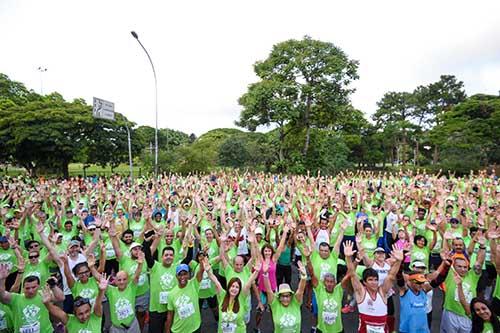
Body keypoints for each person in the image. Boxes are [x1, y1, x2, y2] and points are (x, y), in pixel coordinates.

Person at [345, 241, 403, 333]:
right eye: (370, 280)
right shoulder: (361, 292)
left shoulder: (382, 292)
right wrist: (348, 257)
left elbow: (391, 276)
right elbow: (352, 274)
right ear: (364, 282)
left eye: (376, 280)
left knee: (391, 313)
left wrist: (399, 261)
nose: (374, 283)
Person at [0, 263, 64, 333]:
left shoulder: (43, 294)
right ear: (23, 288)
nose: (31, 291)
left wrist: (53, 286)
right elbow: (2, 295)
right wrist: (2, 279)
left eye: (33, 287)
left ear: (38, 286)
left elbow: (61, 297)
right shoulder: (16, 299)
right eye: (27, 288)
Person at [205, 258, 260, 333]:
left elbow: (249, 282)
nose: (234, 289)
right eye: (232, 286)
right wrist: (208, 271)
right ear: (228, 287)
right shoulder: (222, 295)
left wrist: (256, 271)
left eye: (237, 287)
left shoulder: (241, 297)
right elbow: (215, 281)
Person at [42, 272, 108, 332]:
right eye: (80, 314)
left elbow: (98, 303)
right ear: (74, 314)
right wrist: (47, 303)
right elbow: (58, 312)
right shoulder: (70, 320)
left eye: (87, 311)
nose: (84, 316)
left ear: (90, 309)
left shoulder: (96, 317)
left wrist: (101, 291)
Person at [305, 244, 349, 333]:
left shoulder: (339, 290)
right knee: (315, 313)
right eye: (327, 281)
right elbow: (312, 273)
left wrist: (353, 259)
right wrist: (307, 259)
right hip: (322, 330)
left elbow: (349, 275)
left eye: (331, 282)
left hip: (338, 331)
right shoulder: (319, 290)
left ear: (336, 282)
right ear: (323, 283)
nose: (329, 284)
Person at [263, 259, 307, 333]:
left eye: (287, 296)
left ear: (291, 296)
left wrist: (303, 277)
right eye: (283, 296)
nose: (285, 299)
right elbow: (269, 290)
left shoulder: (295, 303)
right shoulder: (275, 305)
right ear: (279, 297)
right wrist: (265, 274)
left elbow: (301, 290)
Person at [106, 251, 145, 333]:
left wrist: (140, 264)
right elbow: (99, 279)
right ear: (115, 281)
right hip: (117, 329)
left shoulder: (131, 287)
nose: (122, 282)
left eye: (124, 279)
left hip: (132, 326)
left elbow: (137, 276)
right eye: (119, 280)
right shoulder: (110, 290)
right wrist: (91, 267)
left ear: (128, 280)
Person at [165, 262, 204, 333]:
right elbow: (170, 314)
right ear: (176, 276)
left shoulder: (194, 284)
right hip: (179, 330)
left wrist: (202, 261)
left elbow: (201, 271)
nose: (182, 277)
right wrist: (167, 330)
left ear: (189, 274)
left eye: (185, 274)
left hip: (195, 328)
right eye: (180, 274)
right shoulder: (171, 294)